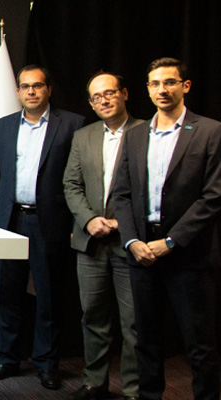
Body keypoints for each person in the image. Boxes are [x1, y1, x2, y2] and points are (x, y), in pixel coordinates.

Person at [112, 57, 221, 400]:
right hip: (142, 252)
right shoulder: (135, 135)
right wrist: (131, 240)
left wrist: (171, 241)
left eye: (170, 82)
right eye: (155, 83)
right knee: (146, 339)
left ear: (185, 86)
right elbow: (121, 193)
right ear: (147, 89)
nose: (162, 89)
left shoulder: (210, 131)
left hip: (189, 254)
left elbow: (213, 196)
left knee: (199, 345)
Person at [0, 65, 84, 390]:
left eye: (37, 85)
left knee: (49, 296)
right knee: (7, 294)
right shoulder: (2, 126)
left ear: (48, 89)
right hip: (9, 220)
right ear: (17, 91)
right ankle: (7, 359)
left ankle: (46, 363)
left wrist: (75, 223)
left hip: (49, 221)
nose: (31, 91)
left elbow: (78, 179)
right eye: (25, 86)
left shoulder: (72, 124)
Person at [62, 72, 143, 400]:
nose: (103, 100)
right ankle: (95, 382)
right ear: (91, 103)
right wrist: (89, 219)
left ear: (124, 94)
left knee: (134, 322)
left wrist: (124, 223)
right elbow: (71, 184)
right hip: (91, 242)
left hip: (131, 242)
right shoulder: (83, 136)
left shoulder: (146, 132)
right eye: (96, 97)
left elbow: (155, 188)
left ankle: (134, 389)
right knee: (93, 316)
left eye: (109, 93)